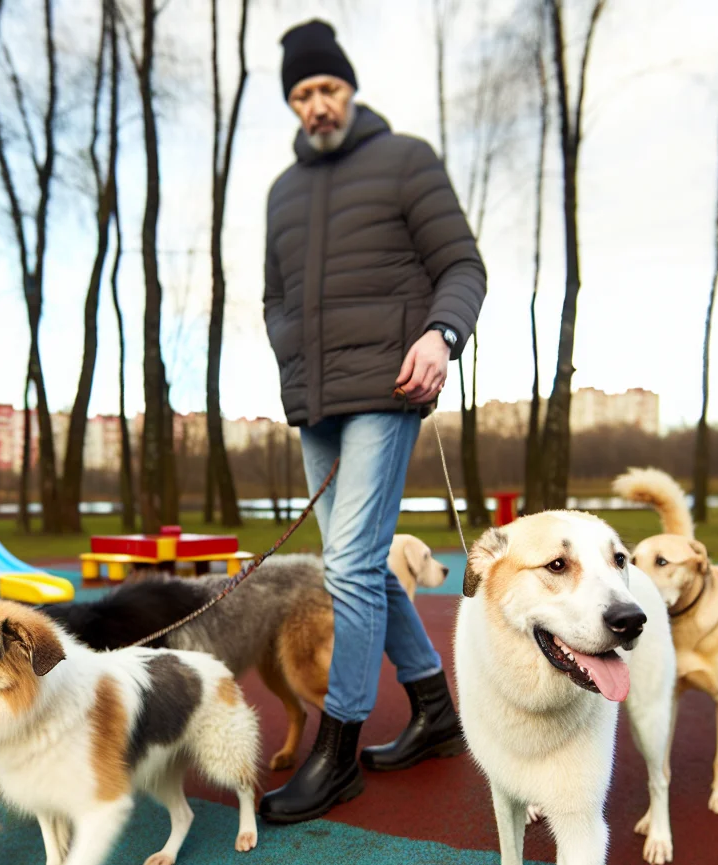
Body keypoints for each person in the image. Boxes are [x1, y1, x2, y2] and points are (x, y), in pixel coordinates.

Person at [257, 19, 487, 823]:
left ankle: (338, 753)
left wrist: (441, 334)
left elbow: (461, 264)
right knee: (362, 565)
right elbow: (274, 296)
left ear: (349, 89)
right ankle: (435, 708)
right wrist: (287, 345)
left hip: (389, 389)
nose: (316, 105)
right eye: (301, 94)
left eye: (327, 88)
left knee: (349, 568)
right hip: (314, 402)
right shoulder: (282, 192)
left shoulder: (405, 160)